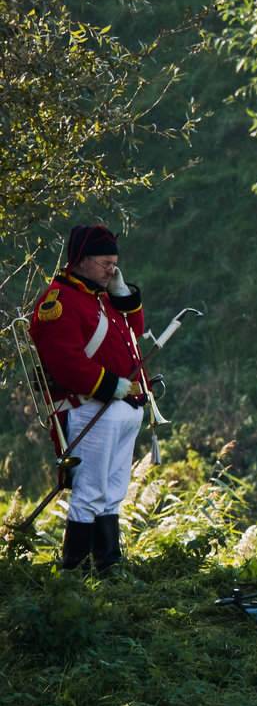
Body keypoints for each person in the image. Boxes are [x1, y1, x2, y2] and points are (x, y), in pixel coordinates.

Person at [29, 224, 148, 571]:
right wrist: (111, 386)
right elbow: (66, 362)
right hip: (91, 407)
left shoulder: (102, 296)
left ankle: (108, 565)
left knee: (112, 493)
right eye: (105, 263)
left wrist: (122, 291)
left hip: (122, 408)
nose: (112, 269)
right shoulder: (59, 301)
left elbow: (134, 332)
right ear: (80, 260)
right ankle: (75, 570)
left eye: (115, 263)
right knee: (90, 493)